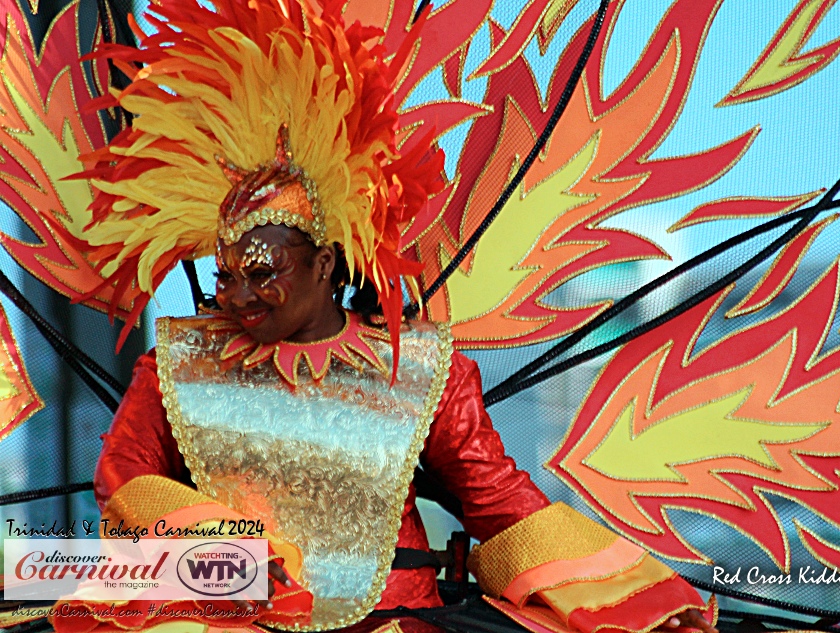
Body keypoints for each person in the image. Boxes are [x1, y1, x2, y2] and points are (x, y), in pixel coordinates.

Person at [56, 1, 721, 631]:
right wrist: (234, 556)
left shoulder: (423, 370)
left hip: (399, 619)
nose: (238, 297)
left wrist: (622, 591)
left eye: (263, 274)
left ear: (324, 264)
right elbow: (124, 480)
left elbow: (497, 502)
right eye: (227, 277)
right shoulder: (176, 364)